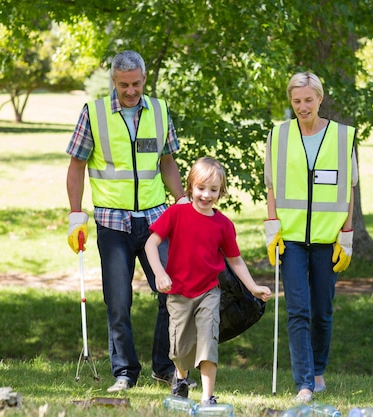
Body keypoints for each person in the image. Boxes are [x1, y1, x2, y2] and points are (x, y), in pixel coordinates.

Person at [65, 50, 195, 392]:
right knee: (119, 301)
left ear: (144, 79)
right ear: (113, 81)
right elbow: (76, 166)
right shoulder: (93, 114)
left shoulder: (160, 111)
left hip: (156, 219)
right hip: (112, 220)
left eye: (136, 83)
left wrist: (181, 201)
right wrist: (75, 214)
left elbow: (166, 161)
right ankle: (124, 371)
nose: (131, 90)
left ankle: (165, 367)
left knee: (173, 291)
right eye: (124, 84)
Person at [145, 156, 272, 404]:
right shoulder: (175, 214)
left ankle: (207, 397)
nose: (206, 195)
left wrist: (253, 287)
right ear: (190, 186)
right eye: (201, 188)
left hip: (209, 293)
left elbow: (235, 260)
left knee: (208, 342)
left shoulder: (223, 225)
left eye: (213, 190)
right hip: (179, 292)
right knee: (179, 349)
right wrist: (160, 273)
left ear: (220, 192)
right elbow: (151, 244)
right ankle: (180, 378)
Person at [264, 72, 358, 403]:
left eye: (308, 100)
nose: (302, 107)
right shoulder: (278, 135)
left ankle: (318, 371)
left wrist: (346, 234)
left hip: (326, 239)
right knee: (298, 309)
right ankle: (304, 382)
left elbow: (349, 190)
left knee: (322, 310)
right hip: (289, 239)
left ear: (320, 98)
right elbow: (271, 186)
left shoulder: (343, 137)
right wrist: (272, 225)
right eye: (296, 101)